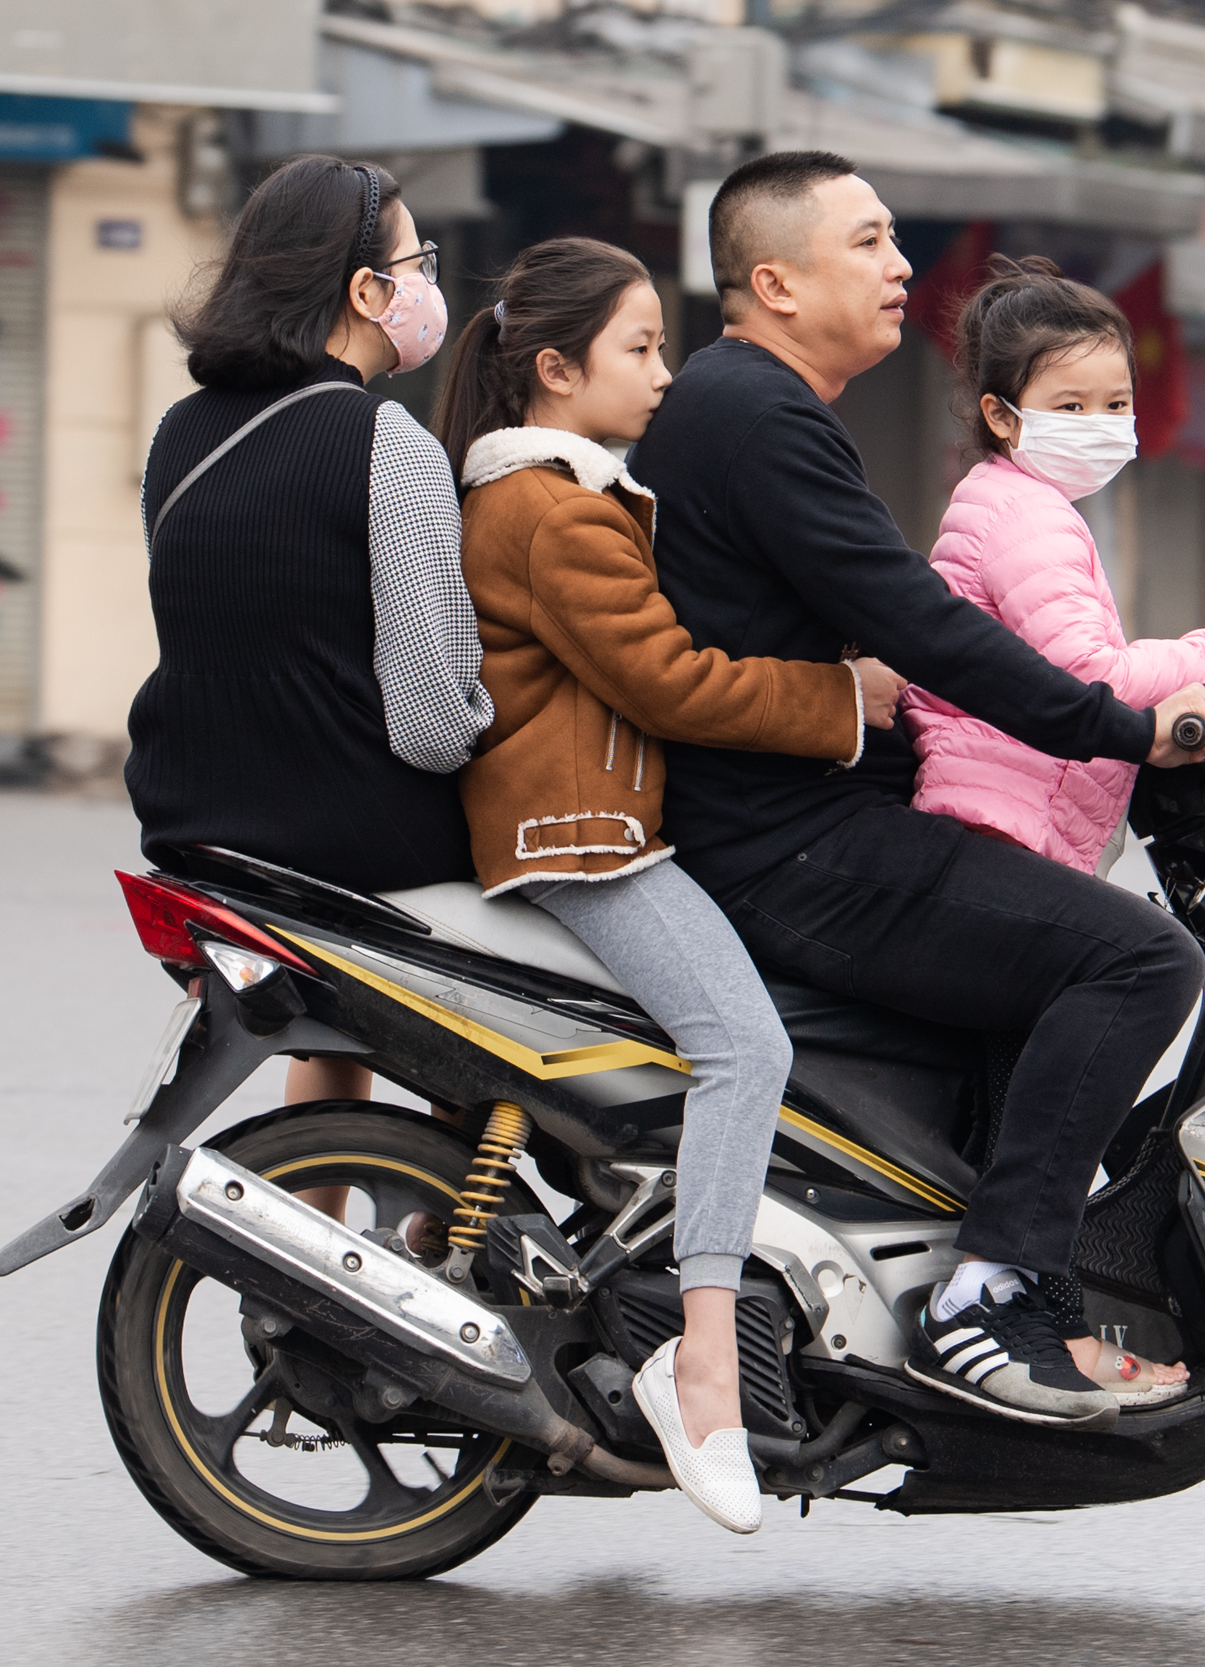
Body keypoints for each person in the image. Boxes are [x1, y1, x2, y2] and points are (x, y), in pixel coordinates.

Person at [636, 150, 1205, 1429]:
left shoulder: (754, 406)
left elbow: (902, 630)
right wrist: (1125, 725)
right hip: (787, 844)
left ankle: (1019, 1288)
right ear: (776, 281)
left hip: (801, 818)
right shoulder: (755, 413)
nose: (901, 266)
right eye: (867, 241)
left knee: (1045, 963)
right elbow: (927, 625)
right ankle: (988, 1297)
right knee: (1141, 961)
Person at [434, 237, 907, 1533]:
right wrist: (842, 699)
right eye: (639, 348)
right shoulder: (553, 509)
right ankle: (703, 1360)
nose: (662, 373)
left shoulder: (557, 498)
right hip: (581, 838)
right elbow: (669, 680)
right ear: (554, 368)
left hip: (594, 823)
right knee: (743, 1047)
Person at [901, 254, 1205, 1406]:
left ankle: (1044, 1305)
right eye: (1071, 403)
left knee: (1040, 1063)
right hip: (989, 824)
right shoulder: (1022, 515)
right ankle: (988, 1284)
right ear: (1003, 414)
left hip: (1010, 825)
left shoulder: (1024, 508)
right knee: (1149, 967)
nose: (1103, 423)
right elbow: (1085, 672)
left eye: (1116, 400)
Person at [127, 154, 488, 1114]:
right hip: (354, 831)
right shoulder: (390, 446)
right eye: (418, 264)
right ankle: (459, 1190)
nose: (428, 285)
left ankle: (324, 1196)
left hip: (197, 817)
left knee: (335, 1029)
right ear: (367, 292)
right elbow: (431, 726)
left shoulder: (176, 435)